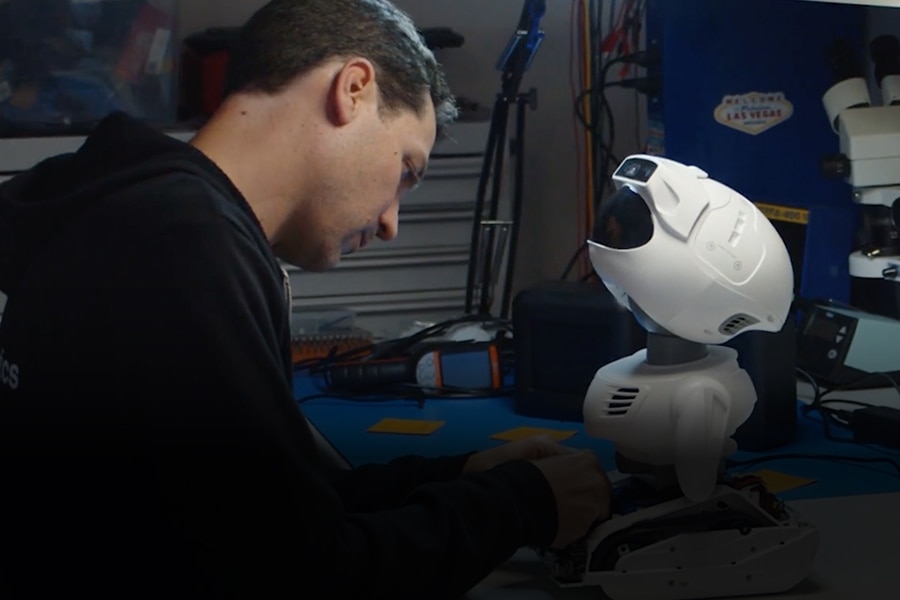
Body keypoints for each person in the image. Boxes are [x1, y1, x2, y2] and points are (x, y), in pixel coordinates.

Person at [0, 0, 612, 597]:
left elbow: (259, 511)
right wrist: (524, 505)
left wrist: (459, 475)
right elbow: (301, 574)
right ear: (353, 90)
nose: (392, 221)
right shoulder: (187, 244)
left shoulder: (126, 208)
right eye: (406, 169)